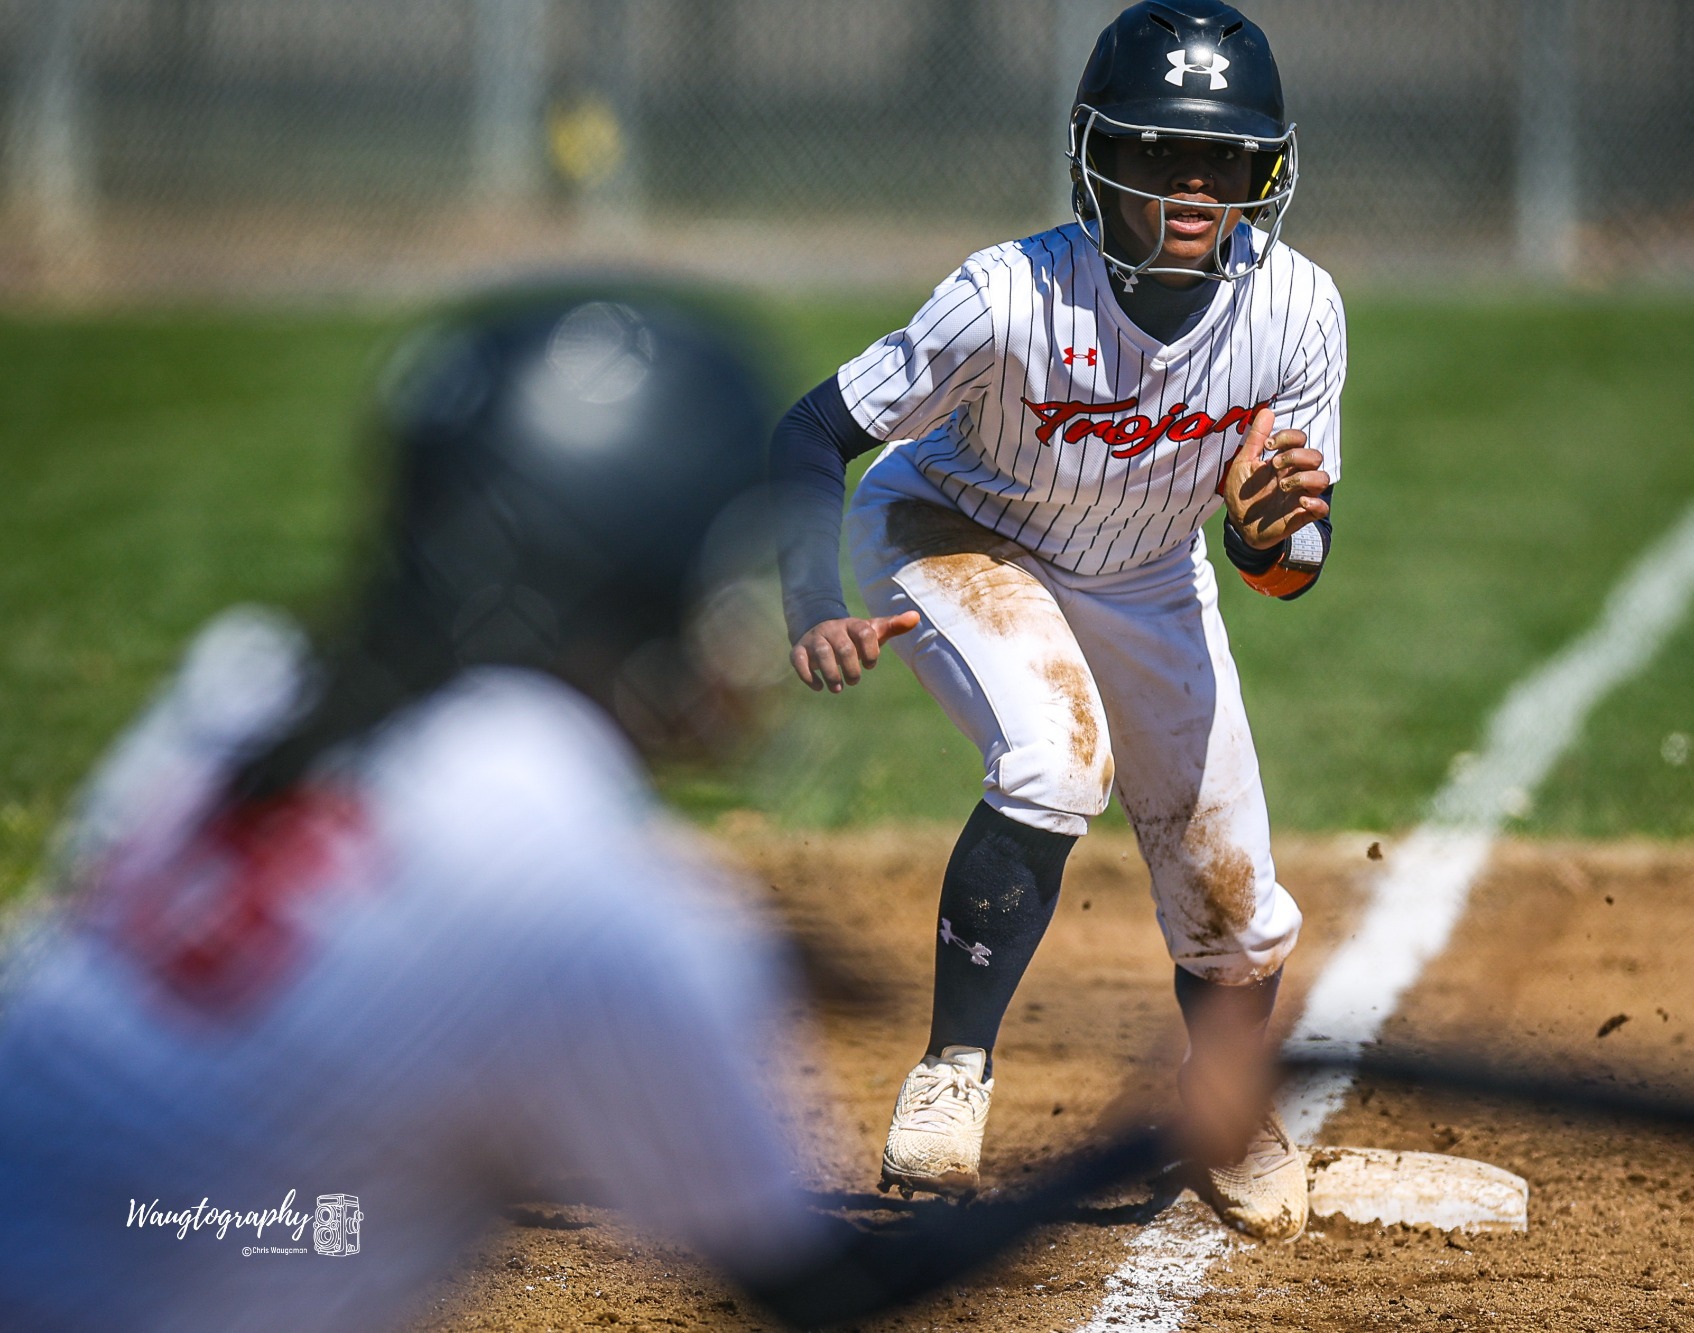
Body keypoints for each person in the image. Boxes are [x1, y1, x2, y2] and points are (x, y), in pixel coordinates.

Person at [0, 287, 1225, 1333]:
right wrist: (1144, 1131)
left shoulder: (249, 683)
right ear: (618, 583)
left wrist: (758, 958)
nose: (728, 619)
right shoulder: (585, 898)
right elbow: (832, 1286)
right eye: (710, 574)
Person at [770, 0, 1343, 1242]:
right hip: (956, 528)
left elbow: (1290, 564)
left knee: (1235, 905)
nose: (1192, 183)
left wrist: (1258, 537)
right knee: (1052, 756)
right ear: (1096, 154)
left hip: (1145, 567)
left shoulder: (1296, 311)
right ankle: (950, 1076)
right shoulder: (1005, 296)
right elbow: (812, 430)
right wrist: (812, 602)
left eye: (1223, 157)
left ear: (1265, 169)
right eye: (1156, 150)